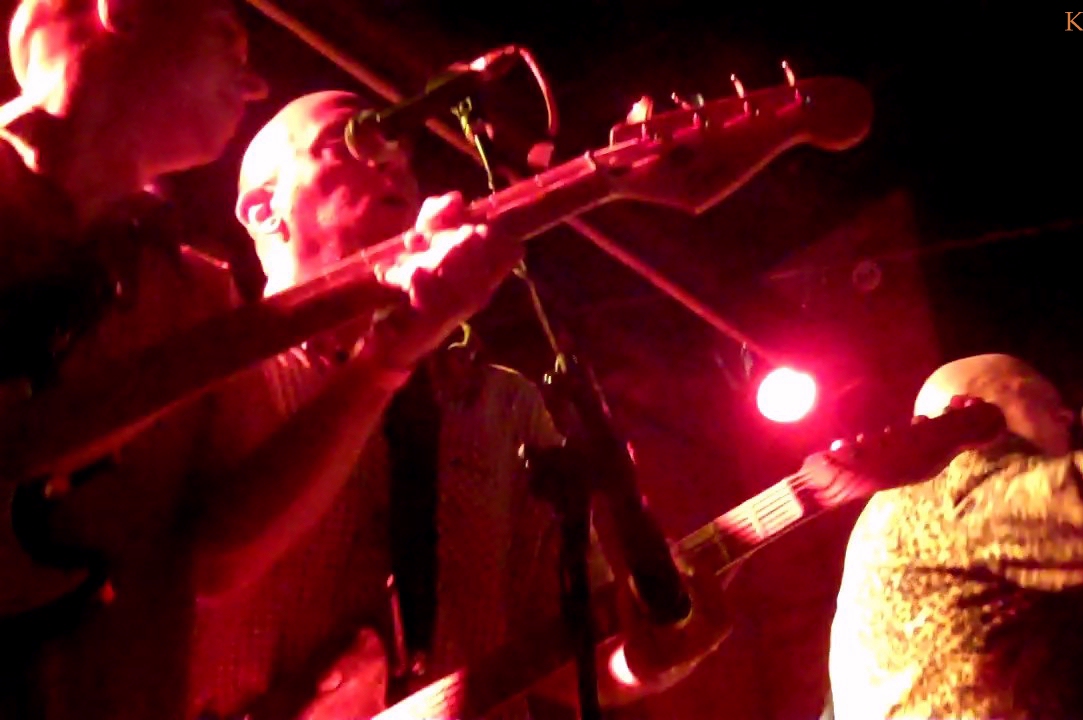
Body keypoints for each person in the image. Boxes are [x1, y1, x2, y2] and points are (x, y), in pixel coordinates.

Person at [0, 3, 523, 720]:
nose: (254, 86)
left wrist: (393, 351)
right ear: (122, 10)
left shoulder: (194, 293)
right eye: (228, 35)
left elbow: (215, 558)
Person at [231, 89, 729, 719]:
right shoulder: (216, 372)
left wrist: (642, 663)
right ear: (264, 208)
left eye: (400, 148)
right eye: (347, 141)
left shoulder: (500, 405)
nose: (391, 159)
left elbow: (561, 654)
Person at [827, 353, 1083, 719]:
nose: (1066, 415)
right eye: (1039, 400)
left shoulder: (900, 507)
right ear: (970, 407)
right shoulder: (955, 477)